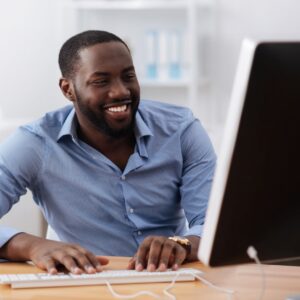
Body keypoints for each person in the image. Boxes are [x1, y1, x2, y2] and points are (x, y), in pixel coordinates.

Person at [0, 30, 216, 275]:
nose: (120, 91)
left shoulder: (181, 129)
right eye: (101, 81)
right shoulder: (36, 143)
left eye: (128, 76)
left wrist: (183, 245)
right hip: (89, 283)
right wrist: (31, 246)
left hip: (173, 279)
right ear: (68, 89)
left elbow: (214, 223)